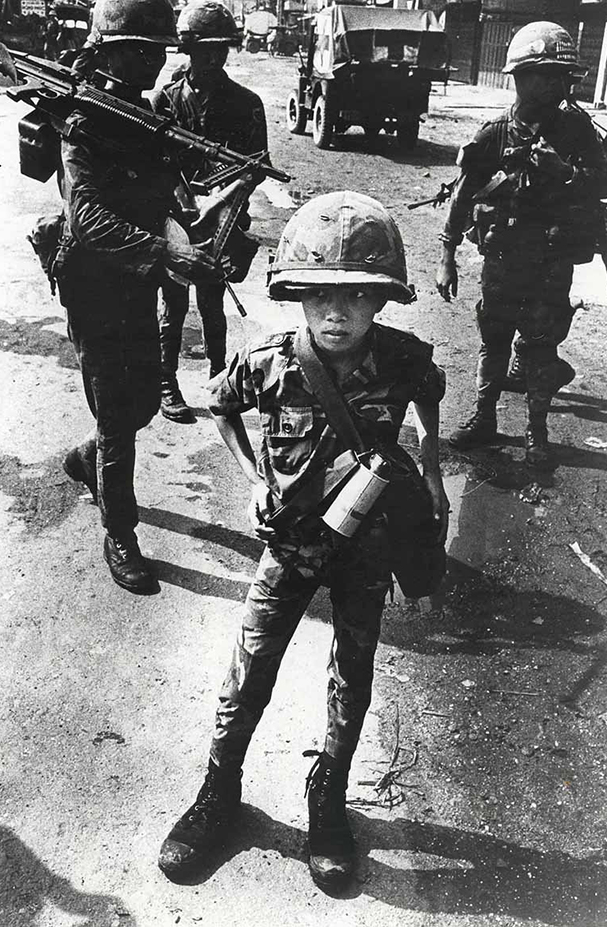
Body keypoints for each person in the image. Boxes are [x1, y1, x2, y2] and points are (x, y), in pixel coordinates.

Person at [158, 191, 448, 889]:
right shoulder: (273, 361)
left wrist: (433, 472)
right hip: (289, 544)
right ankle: (218, 794)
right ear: (296, 297)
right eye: (319, 295)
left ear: (382, 302)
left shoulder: (405, 359)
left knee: (353, 674)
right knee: (249, 668)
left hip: (368, 549)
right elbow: (220, 404)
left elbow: (432, 398)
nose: (336, 312)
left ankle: (329, 801)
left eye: (356, 296)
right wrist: (254, 478)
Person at [59, 0, 220, 593]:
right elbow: (88, 218)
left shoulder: (146, 115)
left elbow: (164, 192)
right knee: (121, 418)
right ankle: (120, 533)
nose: (151, 61)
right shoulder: (83, 121)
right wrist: (166, 256)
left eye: (157, 50)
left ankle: (87, 456)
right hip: (95, 285)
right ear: (105, 50)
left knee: (143, 403)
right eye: (137, 50)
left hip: (139, 281)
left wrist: (186, 229)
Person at [437, 21, 607, 469]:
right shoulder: (495, 133)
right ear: (518, 76)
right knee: (493, 342)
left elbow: (604, 182)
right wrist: (447, 255)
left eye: (562, 75)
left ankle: (538, 434)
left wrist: (565, 173)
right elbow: (462, 192)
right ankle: (483, 420)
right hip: (502, 259)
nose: (556, 83)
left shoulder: (578, 131)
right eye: (545, 73)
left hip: (552, 263)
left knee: (539, 346)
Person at [153, 0, 267, 424]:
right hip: (177, 215)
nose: (213, 57)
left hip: (224, 217)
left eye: (220, 48)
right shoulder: (166, 100)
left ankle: (219, 380)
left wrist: (217, 202)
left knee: (212, 303)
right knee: (174, 304)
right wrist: (184, 203)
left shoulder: (244, 102)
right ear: (189, 50)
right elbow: (156, 163)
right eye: (205, 49)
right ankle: (167, 383)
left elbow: (254, 167)